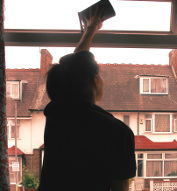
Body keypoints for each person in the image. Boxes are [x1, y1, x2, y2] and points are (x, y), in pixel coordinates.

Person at [37, 6, 136, 191]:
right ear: (95, 81)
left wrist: (91, 29)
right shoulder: (118, 132)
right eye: (101, 73)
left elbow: (73, 72)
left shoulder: (57, 115)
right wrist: (92, 28)